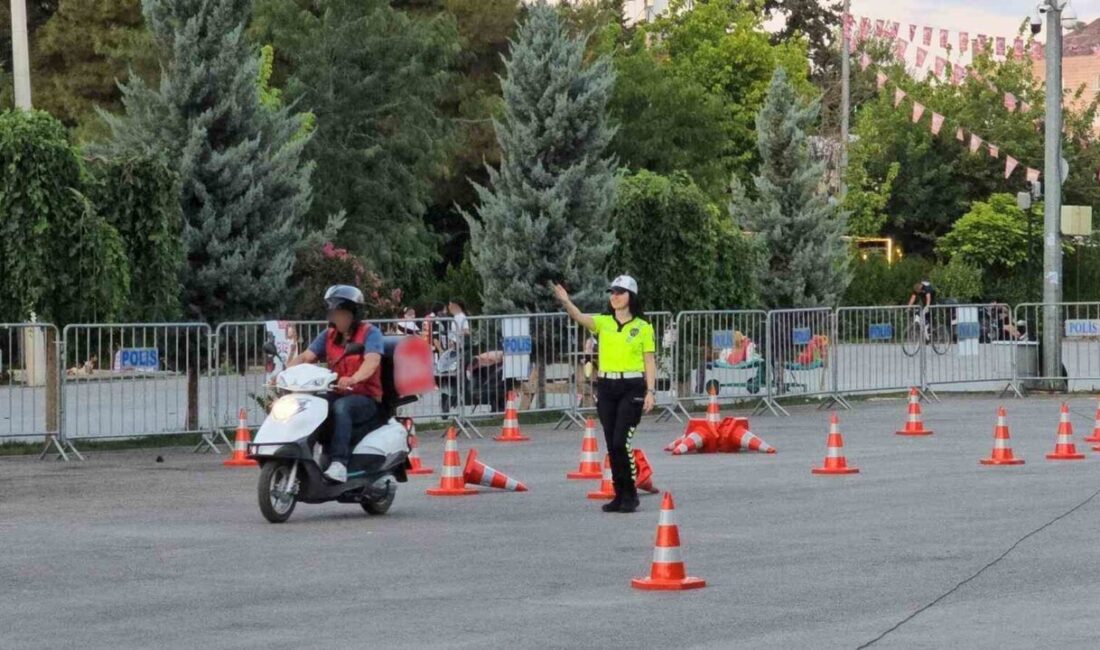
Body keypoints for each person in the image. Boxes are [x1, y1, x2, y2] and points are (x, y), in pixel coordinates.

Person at [553, 275, 656, 514]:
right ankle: (618, 494)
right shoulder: (604, 322)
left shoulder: (643, 327)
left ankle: (630, 493)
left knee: (622, 441)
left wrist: (650, 391)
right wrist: (566, 301)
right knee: (611, 444)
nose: (615, 296)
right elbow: (579, 317)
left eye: (620, 292)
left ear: (631, 297)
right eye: (612, 292)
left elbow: (648, 360)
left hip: (631, 386)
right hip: (607, 386)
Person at [286, 285, 384, 483]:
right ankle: (302, 455)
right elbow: (306, 356)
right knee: (311, 404)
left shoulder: (370, 333)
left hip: (366, 397)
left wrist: (354, 378)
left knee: (341, 407)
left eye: (341, 313)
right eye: (333, 313)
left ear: (353, 314)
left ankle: (339, 463)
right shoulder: (329, 335)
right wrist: (285, 373)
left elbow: (372, 361)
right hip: (338, 392)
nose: (336, 318)